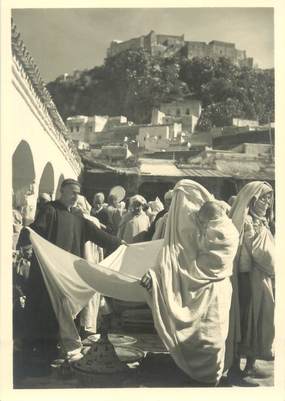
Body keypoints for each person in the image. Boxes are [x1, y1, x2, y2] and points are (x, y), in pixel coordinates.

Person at [17, 178, 123, 373]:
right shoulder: (50, 210)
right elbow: (34, 231)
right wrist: (25, 240)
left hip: (67, 274)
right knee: (43, 311)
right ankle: (37, 356)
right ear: (62, 191)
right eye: (72, 192)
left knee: (63, 314)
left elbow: (98, 235)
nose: (76, 196)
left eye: (78, 193)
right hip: (46, 275)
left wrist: (120, 244)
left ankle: (53, 351)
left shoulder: (78, 216)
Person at [140, 179, 239, 386]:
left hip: (213, 291)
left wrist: (157, 277)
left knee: (211, 336)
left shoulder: (214, 233)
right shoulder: (226, 226)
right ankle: (212, 375)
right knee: (214, 335)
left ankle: (207, 376)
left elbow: (192, 265)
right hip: (219, 289)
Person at [227, 181, 275, 378]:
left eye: (269, 198)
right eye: (264, 197)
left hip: (262, 277)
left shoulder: (261, 221)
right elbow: (252, 253)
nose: (268, 202)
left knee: (262, 316)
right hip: (248, 279)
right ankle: (238, 367)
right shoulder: (246, 221)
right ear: (253, 199)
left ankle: (252, 363)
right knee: (246, 319)